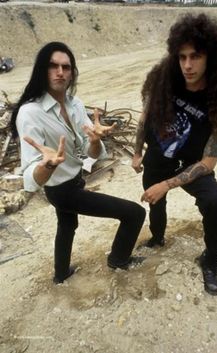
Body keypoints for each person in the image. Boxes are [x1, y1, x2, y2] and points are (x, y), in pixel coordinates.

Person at [11, 41, 146, 284]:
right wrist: (47, 165)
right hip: (60, 189)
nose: (60, 72)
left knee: (67, 225)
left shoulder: (75, 103)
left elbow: (90, 151)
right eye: (53, 66)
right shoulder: (30, 113)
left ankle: (61, 274)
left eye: (66, 67)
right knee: (134, 213)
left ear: (72, 73)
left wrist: (95, 140)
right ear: (42, 70)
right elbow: (31, 176)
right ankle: (118, 260)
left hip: (74, 180)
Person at [132, 13, 217, 295]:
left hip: (191, 164)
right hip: (157, 157)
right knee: (155, 204)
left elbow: (209, 161)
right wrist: (136, 152)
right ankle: (157, 237)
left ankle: (211, 258)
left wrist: (167, 184)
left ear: (210, 57)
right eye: (182, 57)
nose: (188, 65)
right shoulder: (164, 80)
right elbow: (145, 117)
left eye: (196, 56)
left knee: (216, 202)